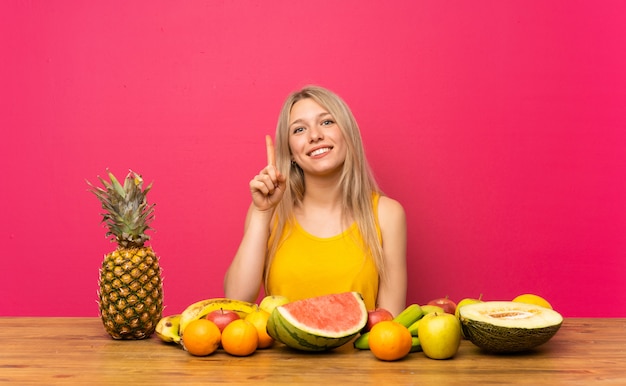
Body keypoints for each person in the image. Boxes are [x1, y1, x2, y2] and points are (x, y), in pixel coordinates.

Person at [223, 85, 407, 316]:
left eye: (327, 122)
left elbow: (389, 327)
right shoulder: (268, 210)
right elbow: (236, 300)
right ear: (290, 151)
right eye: (299, 129)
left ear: (348, 133)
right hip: (283, 353)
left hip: (359, 353)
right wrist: (261, 213)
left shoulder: (387, 214)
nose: (315, 135)